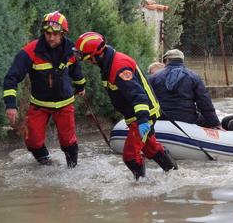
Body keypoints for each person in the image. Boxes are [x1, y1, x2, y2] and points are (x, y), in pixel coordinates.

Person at [73, 32, 177, 180]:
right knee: (150, 148)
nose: (89, 62)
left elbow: (139, 96)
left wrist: (142, 121)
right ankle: (174, 174)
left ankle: (141, 188)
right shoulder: (108, 63)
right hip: (136, 113)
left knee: (130, 156)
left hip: (142, 113)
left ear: (96, 55)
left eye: (88, 59)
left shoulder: (119, 68)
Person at [3, 11, 86, 167]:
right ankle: (47, 165)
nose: (51, 37)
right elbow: (11, 78)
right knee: (32, 141)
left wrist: (81, 85)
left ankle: (72, 170)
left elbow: (76, 71)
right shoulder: (29, 51)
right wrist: (10, 105)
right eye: (47, 33)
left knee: (68, 141)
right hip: (39, 105)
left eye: (55, 34)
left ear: (63, 34)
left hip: (65, 104)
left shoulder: (71, 50)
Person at [149, 49, 220, 128]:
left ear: (166, 61)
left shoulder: (153, 78)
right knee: (205, 120)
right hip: (188, 119)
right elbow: (205, 103)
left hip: (161, 119)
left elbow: (147, 100)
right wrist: (215, 124)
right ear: (182, 60)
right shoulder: (194, 77)